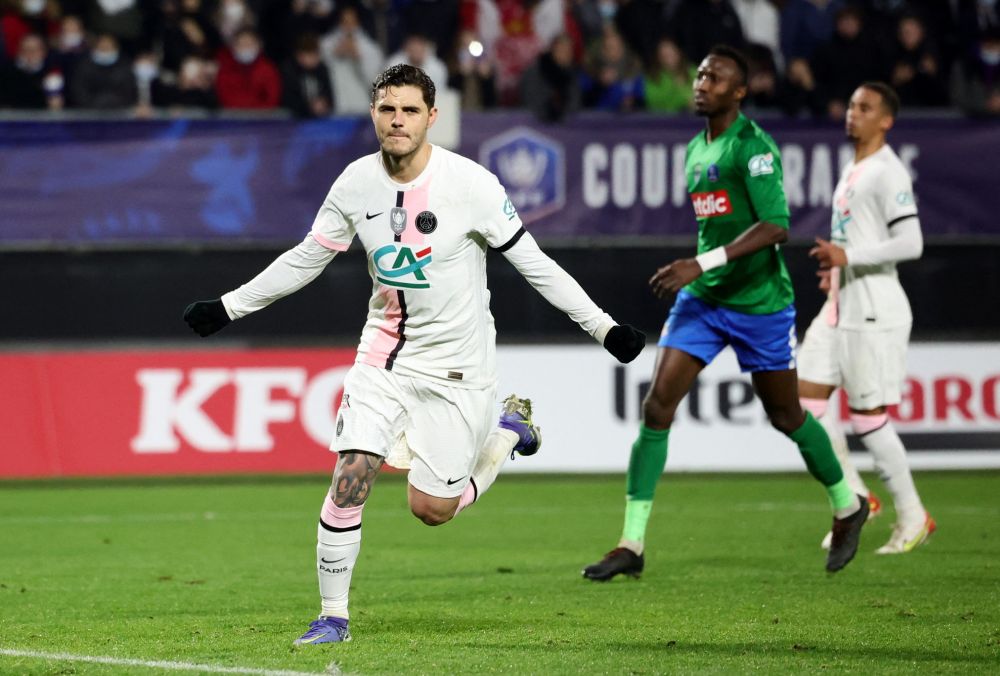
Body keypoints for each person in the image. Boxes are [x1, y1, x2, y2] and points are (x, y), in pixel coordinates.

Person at [183, 64, 646, 644]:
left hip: (458, 368)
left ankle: (505, 432)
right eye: (386, 109)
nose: (396, 120)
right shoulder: (355, 184)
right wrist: (229, 307)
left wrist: (604, 329)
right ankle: (333, 617)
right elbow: (307, 258)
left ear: (432, 116)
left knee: (431, 509)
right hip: (382, 358)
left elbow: (536, 266)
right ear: (373, 114)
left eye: (408, 110)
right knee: (350, 478)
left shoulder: (472, 186)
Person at [581, 45, 867, 582]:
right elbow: (718, 226)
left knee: (786, 417)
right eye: (700, 73)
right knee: (656, 407)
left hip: (760, 305)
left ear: (740, 91)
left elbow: (776, 225)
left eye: (714, 77)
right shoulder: (695, 149)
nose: (701, 82)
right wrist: (702, 271)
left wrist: (700, 261)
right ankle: (631, 544)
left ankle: (848, 505)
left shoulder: (752, 148)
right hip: (705, 302)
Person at [798, 82, 935, 555]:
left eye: (865, 108)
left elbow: (911, 243)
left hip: (874, 309)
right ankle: (856, 495)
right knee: (803, 400)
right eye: (852, 105)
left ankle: (914, 516)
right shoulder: (855, 167)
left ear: (886, 120)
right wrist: (836, 270)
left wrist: (847, 255)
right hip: (842, 303)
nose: (853, 113)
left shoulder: (888, 172)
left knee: (868, 416)